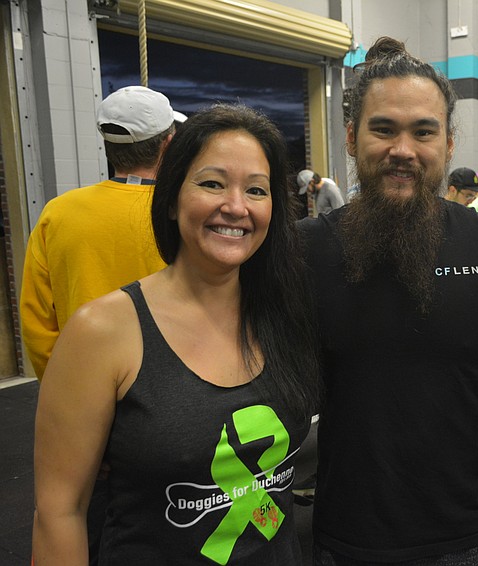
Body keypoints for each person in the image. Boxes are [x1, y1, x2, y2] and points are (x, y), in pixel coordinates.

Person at [32, 104, 321, 565]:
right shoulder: (103, 331)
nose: (235, 206)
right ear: (170, 199)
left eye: (256, 190)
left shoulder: (286, 316)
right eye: (211, 183)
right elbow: (59, 512)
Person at [298, 36, 478, 565]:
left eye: (424, 131)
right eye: (383, 129)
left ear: (448, 144)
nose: (403, 149)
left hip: (469, 538)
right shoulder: (304, 248)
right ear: (352, 138)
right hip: (347, 538)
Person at [20, 85, 182, 380]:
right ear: (168, 144)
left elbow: (37, 320)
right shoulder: (182, 211)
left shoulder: (58, 212)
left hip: (83, 379)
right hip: (173, 382)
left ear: (108, 144)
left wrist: (62, 383)